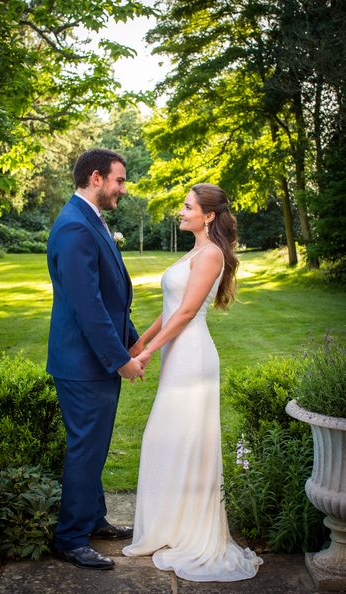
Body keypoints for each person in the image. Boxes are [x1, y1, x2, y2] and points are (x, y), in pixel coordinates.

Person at [123, 183, 263, 581]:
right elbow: (170, 310)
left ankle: (188, 532)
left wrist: (148, 353)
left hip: (192, 357)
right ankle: (171, 527)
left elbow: (185, 314)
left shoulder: (212, 254)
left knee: (172, 439)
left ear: (209, 216)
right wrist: (140, 342)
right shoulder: (196, 251)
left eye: (188, 207)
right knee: (170, 440)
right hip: (177, 355)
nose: (181, 212)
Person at [47, 148, 144, 570]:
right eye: (119, 180)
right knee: (85, 448)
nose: (123, 188)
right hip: (84, 365)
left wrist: (133, 339)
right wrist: (119, 358)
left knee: (95, 446)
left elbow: (108, 295)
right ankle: (70, 537)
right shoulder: (74, 227)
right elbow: (87, 307)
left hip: (93, 362)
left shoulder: (90, 220)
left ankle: (93, 519)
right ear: (96, 178)